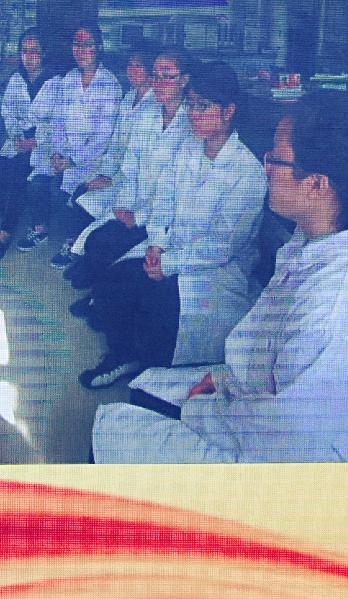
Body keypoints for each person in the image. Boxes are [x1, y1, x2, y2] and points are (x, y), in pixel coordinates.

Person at [92, 91, 348, 463]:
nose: (265, 167)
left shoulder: (339, 306)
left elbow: (287, 437)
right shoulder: (315, 238)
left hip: (297, 463)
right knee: (145, 387)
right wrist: (225, 381)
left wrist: (205, 409)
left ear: (316, 185)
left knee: (113, 430)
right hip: (266, 406)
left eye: (275, 159)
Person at [78, 60, 267, 391]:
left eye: (203, 106)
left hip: (213, 271)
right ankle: (123, 355)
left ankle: (150, 363)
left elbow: (222, 247)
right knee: (113, 281)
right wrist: (156, 242)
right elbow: (164, 198)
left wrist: (168, 263)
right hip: (169, 250)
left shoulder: (248, 173)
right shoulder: (189, 148)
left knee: (159, 308)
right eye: (191, 105)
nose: (194, 114)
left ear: (228, 111)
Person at [60, 48, 194, 288]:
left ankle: (99, 286)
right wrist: (124, 206)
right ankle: (92, 272)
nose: (159, 83)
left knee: (108, 246)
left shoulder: (191, 125)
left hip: (162, 216)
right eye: (156, 76)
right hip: (134, 201)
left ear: (184, 80)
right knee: (97, 236)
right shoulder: (147, 114)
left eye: (168, 76)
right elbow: (130, 167)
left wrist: (138, 217)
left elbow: (176, 191)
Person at [18, 24, 122, 253]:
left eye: (87, 45)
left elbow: (103, 136)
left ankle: (74, 242)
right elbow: (57, 121)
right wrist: (58, 154)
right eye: (76, 44)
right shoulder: (69, 79)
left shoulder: (110, 84)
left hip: (92, 158)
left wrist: (72, 160)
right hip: (63, 153)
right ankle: (40, 230)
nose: (80, 50)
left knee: (62, 192)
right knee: (36, 183)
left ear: (99, 48)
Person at [0, 29, 52, 262]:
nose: (29, 57)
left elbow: (58, 121)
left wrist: (35, 140)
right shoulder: (16, 79)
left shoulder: (55, 83)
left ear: (44, 53)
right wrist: (15, 135)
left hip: (43, 144)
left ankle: (5, 232)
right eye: (24, 51)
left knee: (18, 178)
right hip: (17, 140)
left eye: (34, 51)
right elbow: (8, 112)